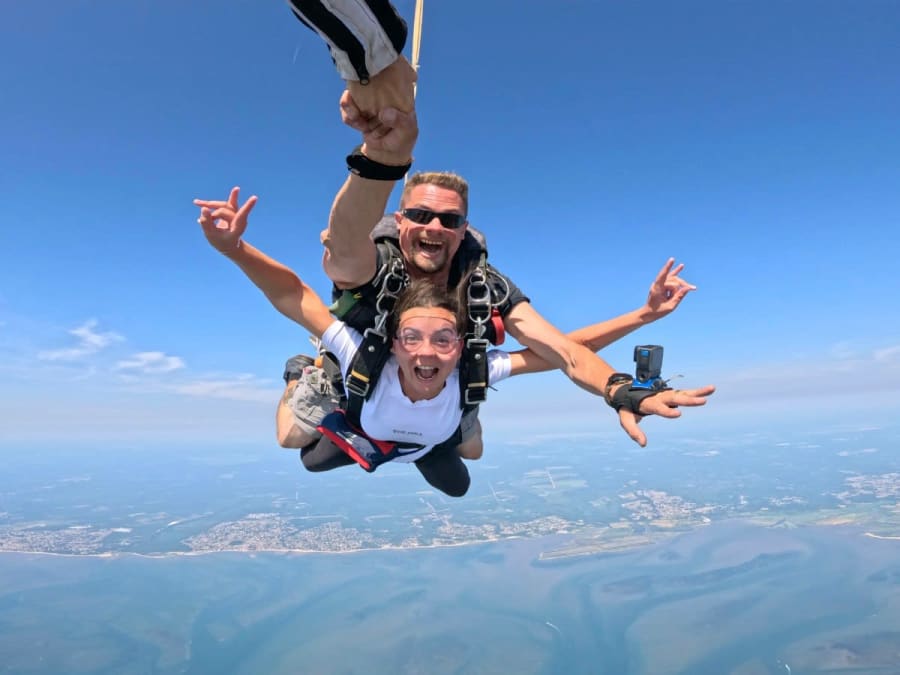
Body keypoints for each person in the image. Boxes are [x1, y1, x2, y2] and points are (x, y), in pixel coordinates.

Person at [195, 190, 715, 496]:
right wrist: (235, 248)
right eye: (413, 339)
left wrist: (622, 376)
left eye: (444, 339)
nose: (426, 352)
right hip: (359, 410)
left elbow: (562, 350)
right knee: (298, 448)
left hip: (428, 428)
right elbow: (293, 293)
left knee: (469, 462)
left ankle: (422, 443)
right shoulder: (368, 349)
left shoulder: (470, 360)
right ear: (393, 342)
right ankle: (298, 374)